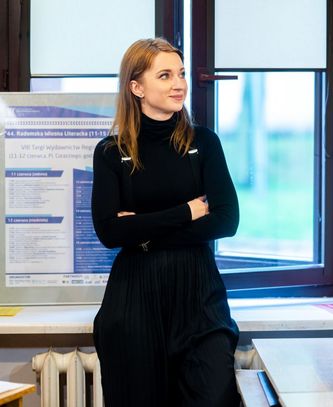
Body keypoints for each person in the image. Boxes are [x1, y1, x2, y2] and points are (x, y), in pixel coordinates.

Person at [91, 37, 240, 406]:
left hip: (199, 295)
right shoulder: (111, 152)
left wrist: (141, 231)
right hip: (134, 299)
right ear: (136, 87)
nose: (179, 84)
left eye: (181, 74)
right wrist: (185, 212)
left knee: (215, 396)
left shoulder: (204, 142)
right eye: (165, 75)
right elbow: (109, 231)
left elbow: (226, 221)